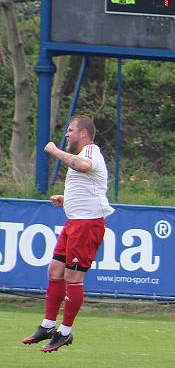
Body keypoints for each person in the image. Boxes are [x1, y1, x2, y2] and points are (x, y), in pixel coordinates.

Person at [22, 116, 114, 352]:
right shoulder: (85, 154)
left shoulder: (91, 151)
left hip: (87, 225)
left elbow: (83, 166)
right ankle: (48, 325)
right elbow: (91, 184)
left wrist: (55, 151)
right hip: (74, 222)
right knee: (55, 269)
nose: (67, 134)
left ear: (83, 133)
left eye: (70, 130)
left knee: (73, 278)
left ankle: (65, 331)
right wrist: (67, 199)